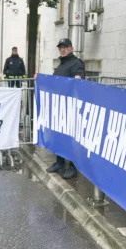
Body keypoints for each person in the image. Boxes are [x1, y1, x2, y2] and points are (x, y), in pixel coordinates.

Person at [45, 38, 84, 180]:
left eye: (65, 47)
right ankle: (59, 162)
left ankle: (72, 166)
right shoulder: (61, 64)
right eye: (60, 47)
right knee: (58, 136)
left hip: (70, 107)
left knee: (70, 138)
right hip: (59, 107)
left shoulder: (76, 63)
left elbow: (79, 80)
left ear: (71, 48)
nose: (63, 49)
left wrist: (78, 78)